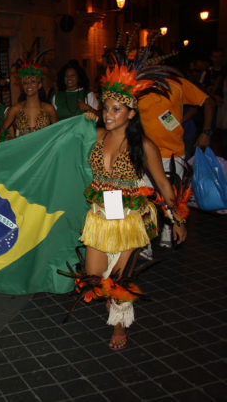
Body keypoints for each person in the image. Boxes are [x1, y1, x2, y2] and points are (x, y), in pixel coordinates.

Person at [80, 52, 187, 350]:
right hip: (99, 215)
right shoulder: (98, 134)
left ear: (131, 111)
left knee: (117, 281)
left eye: (117, 108)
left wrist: (177, 219)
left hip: (129, 220)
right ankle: (114, 308)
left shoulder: (144, 146)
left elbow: (164, 185)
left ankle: (119, 323)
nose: (108, 113)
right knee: (93, 276)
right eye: (106, 107)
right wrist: (84, 116)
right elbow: (69, 131)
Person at [138, 68, 213, 249]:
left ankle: (169, 230)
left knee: (172, 198)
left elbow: (208, 102)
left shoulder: (177, 83)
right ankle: (146, 242)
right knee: (143, 200)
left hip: (174, 152)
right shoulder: (137, 86)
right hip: (145, 153)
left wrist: (206, 131)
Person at [0, 62, 57, 137]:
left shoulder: (49, 109)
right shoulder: (15, 109)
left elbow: (58, 133)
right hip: (22, 148)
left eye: (33, 81)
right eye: (25, 83)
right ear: (22, 86)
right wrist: (11, 139)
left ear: (39, 85)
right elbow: (1, 133)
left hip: (44, 148)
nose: (29, 85)